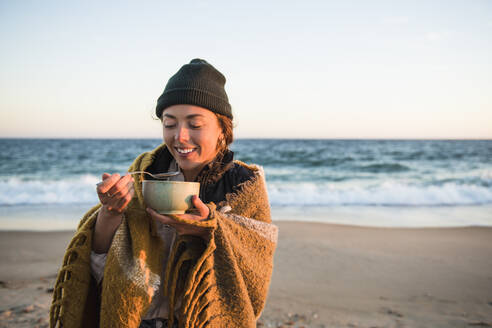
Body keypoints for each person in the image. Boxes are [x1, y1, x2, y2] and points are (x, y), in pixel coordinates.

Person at [50, 59, 278, 328]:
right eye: (170, 124)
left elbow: (255, 272)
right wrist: (109, 213)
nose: (180, 136)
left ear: (222, 130)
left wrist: (210, 231)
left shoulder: (243, 185)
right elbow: (100, 263)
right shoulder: (146, 173)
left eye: (195, 125)